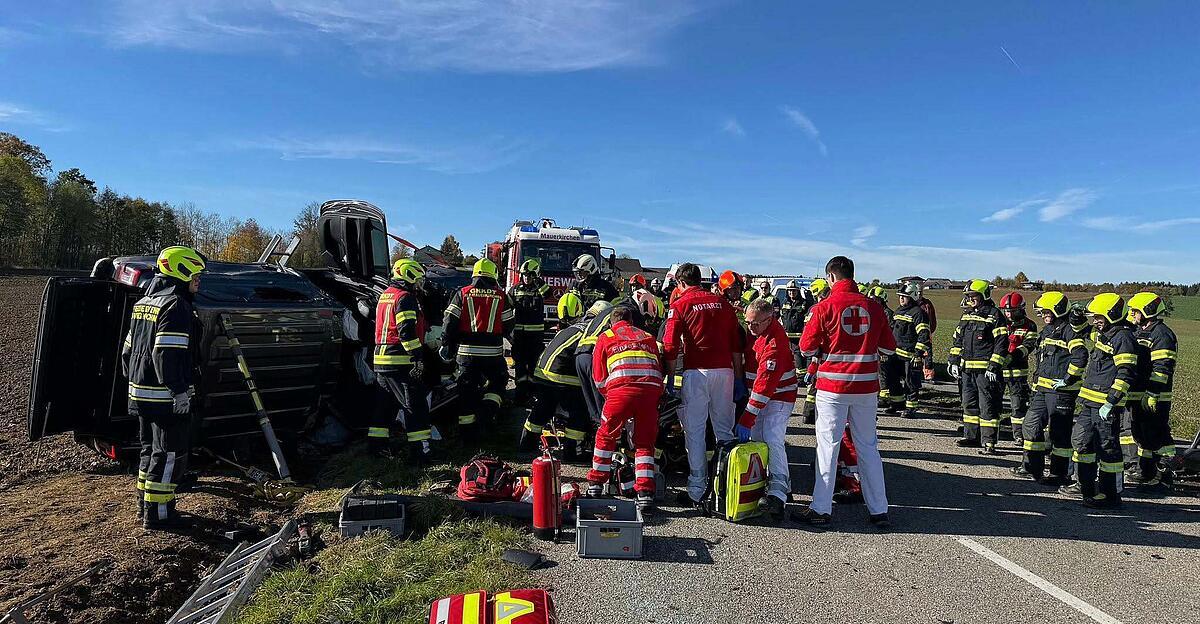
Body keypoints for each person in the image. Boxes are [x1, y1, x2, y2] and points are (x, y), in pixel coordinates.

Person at [794, 256, 896, 527]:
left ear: (831, 277)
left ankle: (820, 509)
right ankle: (878, 510)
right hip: (866, 389)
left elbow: (805, 348)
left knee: (828, 446)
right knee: (868, 447)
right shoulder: (875, 308)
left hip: (832, 387)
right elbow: (888, 349)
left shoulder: (823, 307)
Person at [123, 246, 205, 529]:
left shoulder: (144, 303)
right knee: (169, 454)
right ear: (181, 272)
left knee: (149, 451)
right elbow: (166, 354)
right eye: (196, 275)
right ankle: (160, 515)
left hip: (140, 394)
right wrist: (178, 391)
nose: (199, 281)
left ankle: (143, 505)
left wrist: (136, 381)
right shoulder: (177, 306)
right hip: (165, 399)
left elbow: (127, 351)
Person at [662, 262, 746, 507]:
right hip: (726, 373)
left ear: (680, 283)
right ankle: (727, 488)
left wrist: (669, 379)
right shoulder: (724, 305)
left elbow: (670, 346)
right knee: (724, 431)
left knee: (695, 431)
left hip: (696, 372)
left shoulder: (679, 305)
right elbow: (736, 347)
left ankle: (697, 490)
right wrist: (739, 378)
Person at [1060, 293, 1137, 509]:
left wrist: (1111, 401)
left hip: (1105, 405)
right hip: (1090, 402)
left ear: (1112, 314)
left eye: (1099, 317)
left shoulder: (1123, 338)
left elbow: (1126, 373)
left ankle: (1110, 495)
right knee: (1082, 442)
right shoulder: (1103, 333)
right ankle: (1086, 486)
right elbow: (1083, 331)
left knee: (1108, 450)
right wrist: (1076, 317)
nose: (1095, 321)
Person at [587, 306, 665, 514]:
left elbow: (599, 377)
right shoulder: (648, 336)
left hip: (620, 392)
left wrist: (612, 397)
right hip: (650, 392)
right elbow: (658, 367)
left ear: (612, 322)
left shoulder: (606, 337)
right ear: (632, 321)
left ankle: (596, 486)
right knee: (644, 443)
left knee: (606, 436)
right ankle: (645, 494)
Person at [1012, 291, 1086, 485]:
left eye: (1046, 311)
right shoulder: (1047, 330)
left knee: (1059, 434)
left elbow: (1080, 356)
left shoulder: (1069, 330)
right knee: (1030, 425)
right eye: (1042, 312)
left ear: (1057, 310)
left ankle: (1059, 474)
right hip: (1042, 389)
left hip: (1061, 392)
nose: (1043, 315)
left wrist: (1068, 379)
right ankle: (1032, 467)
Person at [735, 299, 797, 521]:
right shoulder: (760, 333)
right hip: (762, 396)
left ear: (769, 320)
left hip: (780, 396)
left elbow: (764, 385)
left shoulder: (774, 343)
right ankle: (776, 486)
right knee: (759, 440)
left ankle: (778, 494)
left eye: (755, 324)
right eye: (747, 322)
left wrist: (746, 418)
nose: (750, 328)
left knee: (772, 438)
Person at [371, 259, 435, 462]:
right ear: (409, 276)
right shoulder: (405, 297)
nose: (419, 284)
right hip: (399, 361)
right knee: (414, 406)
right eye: (418, 280)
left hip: (382, 360)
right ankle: (420, 453)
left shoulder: (386, 294)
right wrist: (417, 356)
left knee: (384, 407)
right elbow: (406, 331)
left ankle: (376, 448)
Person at [443, 259, 515, 438]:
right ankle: (487, 413)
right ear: (494, 275)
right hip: (492, 355)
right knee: (498, 383)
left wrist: (447, 344)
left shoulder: (462, 293)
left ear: (474, 275)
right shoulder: (501, 296)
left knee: (466, 392)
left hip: (466, 354)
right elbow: (508, 326)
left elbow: (449, 321)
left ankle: (467, 434)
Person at [519, 293, 590, 461]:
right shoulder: (588, 331)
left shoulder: (567, 330)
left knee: (542, 410)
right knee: (579, 412)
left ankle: (525, 445)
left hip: (541, 374)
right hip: (562, 378)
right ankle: (572, 453)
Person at [948, 280, 1008, 454]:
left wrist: (994, 366)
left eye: (973, 296)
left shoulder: (994, 315)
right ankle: (971, 437)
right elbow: (957, 340)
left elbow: (1001, 343)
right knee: (969, 404)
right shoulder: (967, 315)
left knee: (987, 405)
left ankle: (989, 442)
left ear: (983, 295)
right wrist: (953, 360)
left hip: (984, 371)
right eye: (968, 296)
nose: (970, 299)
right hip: (966, 369)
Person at [1126, 292, 1178, 490]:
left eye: (1135, 311)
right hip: (1140, 394)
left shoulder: (1161, 334)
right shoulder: (1141, 332)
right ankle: (1146, 472)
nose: (1132, 314)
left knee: (1158, 436)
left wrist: (1153, 393)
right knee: (1142, 435)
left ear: (1147, 311)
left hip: (1156, 395)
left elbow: (1162, 367)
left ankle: (1164, 477)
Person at [507, 258, 550, 406]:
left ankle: (532, 394)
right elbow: (507, 305)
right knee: (520, 366)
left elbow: (548, 294)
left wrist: (538, 281)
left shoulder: (540, 288)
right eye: (524, 275)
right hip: (519, 337)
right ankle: (520, 395)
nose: (526, 278)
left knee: (533, 367)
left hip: (535, 337)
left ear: (536, 275)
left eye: (530, 275)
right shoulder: (515, 289)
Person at [999, 292, 1038, 447]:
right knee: (993, 404)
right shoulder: (999, 323)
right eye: (1006, 311)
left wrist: (1011, 356)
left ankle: (1019, 435)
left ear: (1020, 309)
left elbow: (1028, 346)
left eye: (1012, 311)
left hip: (1017, 373)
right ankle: (990, 435)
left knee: (1018, 406)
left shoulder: (1030, 325)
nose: (1008, 314)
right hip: (998, 372)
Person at [890, 282, 931, 418]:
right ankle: (897, 404)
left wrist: (918, 354)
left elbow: (924, 334)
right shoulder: (897, 311)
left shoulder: (918, 313)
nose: (901, 299)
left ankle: (911, 408)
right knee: (893, 379)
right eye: (900, 296)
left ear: (912, 297)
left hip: (910, 355)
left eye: (904, 296)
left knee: (911, 382)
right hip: (896, 353)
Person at [800, 278, 831, 424]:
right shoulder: (814, 309)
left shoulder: (823, 309)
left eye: (821, 295)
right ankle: (810, 413)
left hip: (823, 357)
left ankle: (811, 413)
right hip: (816, 353)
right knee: (812, 386)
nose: (819, 298)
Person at [779, 280, 809, 378]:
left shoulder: (804, 303)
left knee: (798, 357)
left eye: (794, 291)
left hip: (798, 336)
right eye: (790, 291)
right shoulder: (785, 303)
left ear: (798, 291)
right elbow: (781, 317)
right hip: (786, 337)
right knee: (787, 358)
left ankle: (801, 378)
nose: (792, 293)